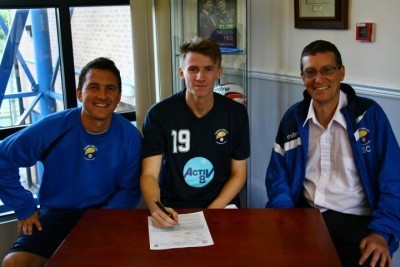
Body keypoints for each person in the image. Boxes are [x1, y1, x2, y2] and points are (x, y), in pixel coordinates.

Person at [264, 40, 400, 267]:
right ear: (302, 78)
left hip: (358, 221)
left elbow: (394, 179)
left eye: (327, 70)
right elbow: (278, 176)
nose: (318, 79)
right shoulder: (294, 118)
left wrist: (382, 232)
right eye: (310, 72)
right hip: (305, 216)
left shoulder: (369, 116)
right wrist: (284, 215)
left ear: (341, 72)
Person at [0, 57, 142, 267]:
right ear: (79, 93)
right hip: (56, 214)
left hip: (103, 213)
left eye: (109, 88)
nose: (102, 95)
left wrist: (100, 220)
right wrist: (24, 207)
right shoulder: (52, 127)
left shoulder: (130, 137)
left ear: (118, 96)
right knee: (14, 263)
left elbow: (130, 190)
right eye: (94, 87)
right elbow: (3, 159)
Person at [140, 37, 250, 228]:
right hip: (175, 209)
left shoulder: (236, 114)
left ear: (219, 72)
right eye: (193, 69)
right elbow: (149, 174)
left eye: (208, 69)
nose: (200, 77)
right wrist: (157, 208)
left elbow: (239, 174)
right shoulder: (159, 115)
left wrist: (211, 212)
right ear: (181, 72)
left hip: (220, 206)